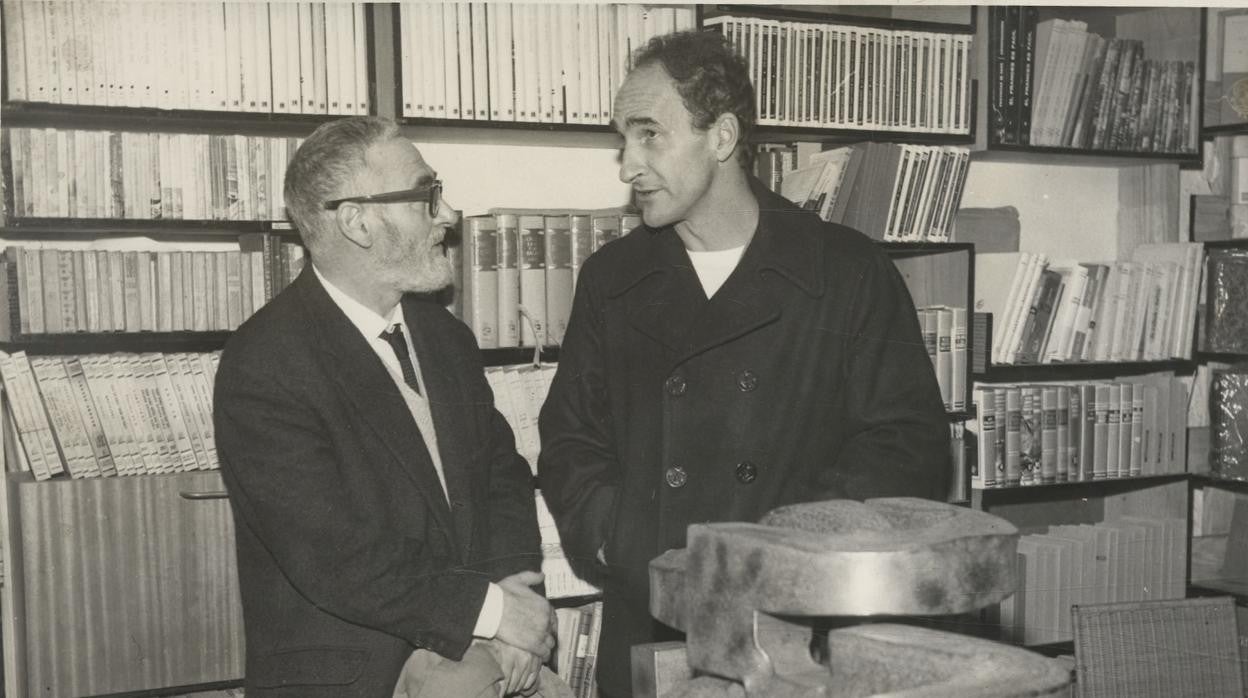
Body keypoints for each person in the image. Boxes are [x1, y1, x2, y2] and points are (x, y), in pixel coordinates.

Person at [537, 31, 951, 698]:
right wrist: (620, 541)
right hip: (653, 617)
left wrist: (786, 558)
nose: (626, 165)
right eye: (622, 139)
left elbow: (908, 449)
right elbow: (569, 442)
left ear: (722, 137)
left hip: (800, 635)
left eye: (649, 136)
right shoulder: (610, 279)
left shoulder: (845, 271)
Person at [214, 116, 557, 698]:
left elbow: (502, 477)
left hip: (487, 664)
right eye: (427, 194)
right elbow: (334, 555)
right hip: (354, 680)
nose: (447, 216)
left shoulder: (446, 338)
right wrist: (495, 612)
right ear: (358, 220)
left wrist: (514, 610)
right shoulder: (264, 363)